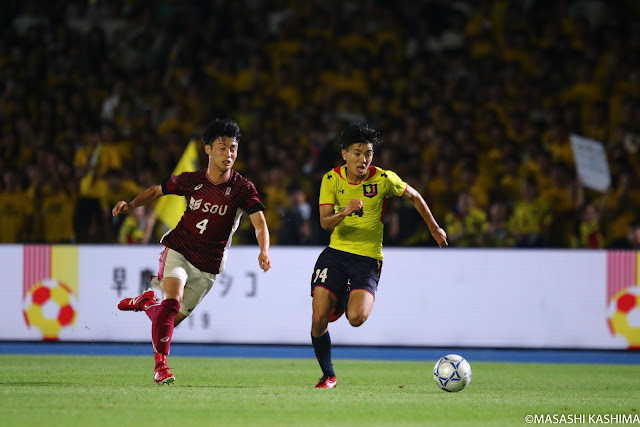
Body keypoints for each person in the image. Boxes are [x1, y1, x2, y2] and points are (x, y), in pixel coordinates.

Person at [112, 118, 271, 384]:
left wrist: (264, 250)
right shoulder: (191, 180)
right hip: (179, 250)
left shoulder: (242, 188)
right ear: (208, 149)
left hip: (208, 266)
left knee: (167, 320)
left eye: (233, 148)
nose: (228, 154)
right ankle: (161, 367)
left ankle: (146, 303)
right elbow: (156, 191)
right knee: (171, 304)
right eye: (222, 148)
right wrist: (131, 205)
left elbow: (260, 223)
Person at [310, 122, 448, 388]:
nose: (363, 159)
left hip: (367, 259)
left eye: (368, 154)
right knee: (318, 319)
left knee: (356, 318)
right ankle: (328, 375)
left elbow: (415, 196)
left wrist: (434, 228)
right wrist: (345, 212)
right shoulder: (331, 179)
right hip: (336, 254)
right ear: (345, 154)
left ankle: (342, 298)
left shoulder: (384, 178)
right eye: (357, 153)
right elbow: (325, 223)